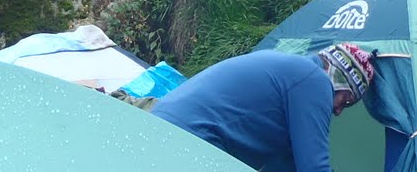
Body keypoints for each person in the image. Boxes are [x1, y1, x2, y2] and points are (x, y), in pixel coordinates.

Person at [149, 42, 376, 172]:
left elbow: (288, 166)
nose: (338, 111)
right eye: (346, 100)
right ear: (338, 77)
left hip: (158, 127)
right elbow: (314, 168)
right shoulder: (314, 80)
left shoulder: (291, 78)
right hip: (193, 138)